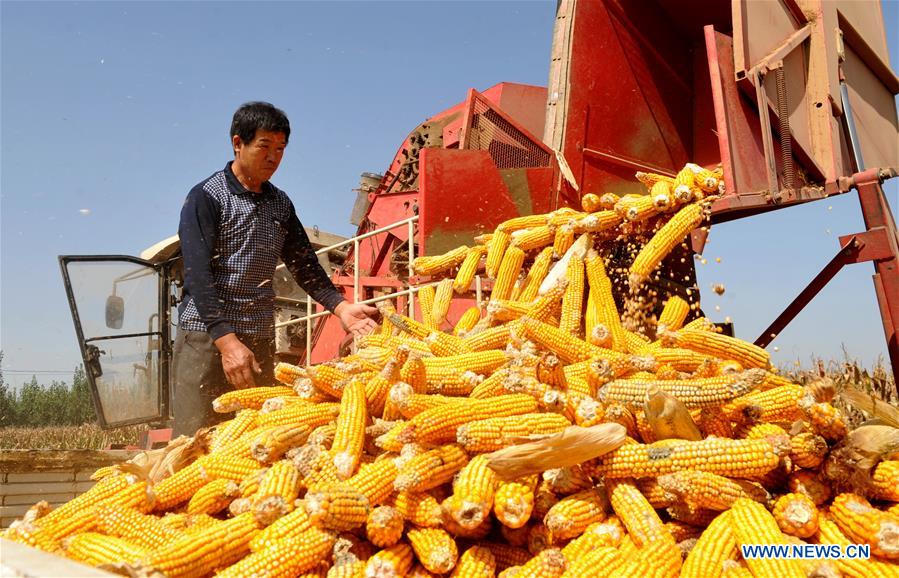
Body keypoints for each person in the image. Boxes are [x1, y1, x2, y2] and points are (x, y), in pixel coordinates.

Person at [172, 101, 377, 436]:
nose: (273, 158)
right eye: (264, 147)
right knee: (196, 443)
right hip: (207, 340)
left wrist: (341, 308)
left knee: (256, 443)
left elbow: (304, 263)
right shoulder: (206, 197)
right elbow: (197, 276)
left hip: (258, 338)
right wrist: (226, 342)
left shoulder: (279, 203)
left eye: (280, 149)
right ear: (238, 143)